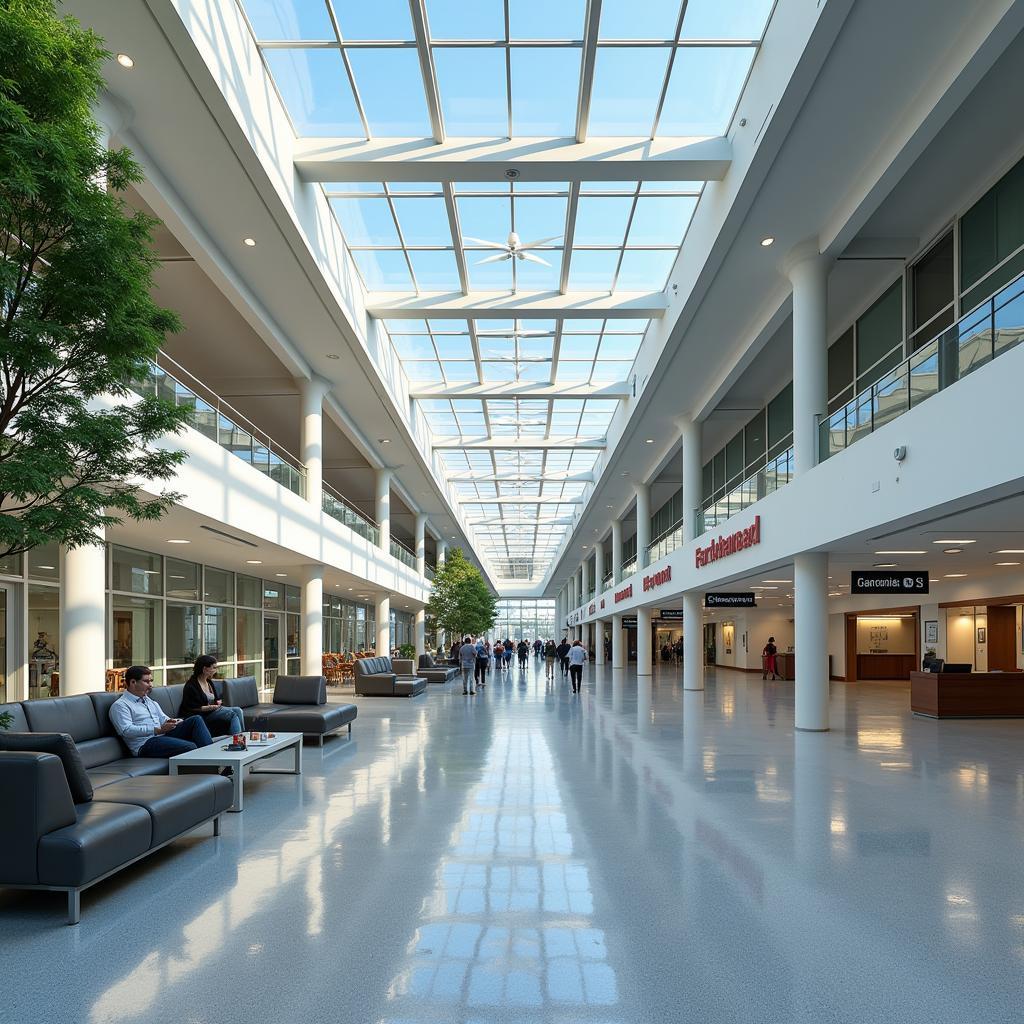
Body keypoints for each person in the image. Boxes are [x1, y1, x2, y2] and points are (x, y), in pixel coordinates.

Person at [110, 665, 215, 757]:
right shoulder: (120, 705)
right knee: (190, 746)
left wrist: (174, 721)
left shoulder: (148, 700)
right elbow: (126, 731)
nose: (151, 685)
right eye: (146, 681)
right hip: (145, 744)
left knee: (195, 720)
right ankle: (212, 767)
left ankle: (215, 760)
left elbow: (164, 719)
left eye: (151, 681)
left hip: (162, 735)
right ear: (133, 682)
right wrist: (157, 730)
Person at [179, 654, 245, 737]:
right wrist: (212, 707)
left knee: (238, 710)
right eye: (213, 668)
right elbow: (192, 707)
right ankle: (237, 741)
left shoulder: (209, 682)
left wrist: (218, 703)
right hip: (202, 714)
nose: (215, 670)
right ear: (204, 669)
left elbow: (216, 700)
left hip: (212, 711)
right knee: (232, 714)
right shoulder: (191, 686)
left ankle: (241, 737)